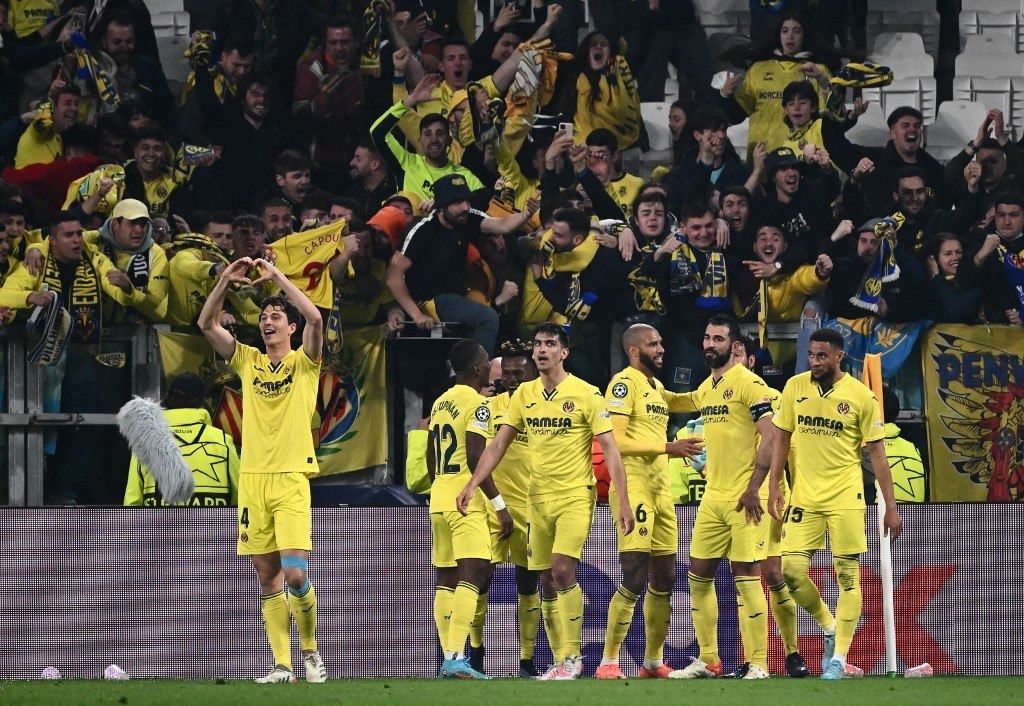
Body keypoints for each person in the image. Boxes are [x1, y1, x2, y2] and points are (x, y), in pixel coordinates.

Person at [456, 323, 636, 680]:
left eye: (549, 344)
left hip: (574, 495)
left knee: (561, 569)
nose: (541, 349)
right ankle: (560, 660)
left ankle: (572, 658)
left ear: (563, 353)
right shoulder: (524, 395)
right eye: (538, 344)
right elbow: (498, 444)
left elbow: (611, 450)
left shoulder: (586, 394)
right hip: (537, 497)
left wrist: (624, 501)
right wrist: (473, 483)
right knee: (546, 580)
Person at [198, 256, 327, 684]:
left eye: (276, 317)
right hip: (253, 479)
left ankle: (310, 652)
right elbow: (206, 325)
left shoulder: (305, 363)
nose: (268, 321)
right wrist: (224, 281)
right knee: (267, 575)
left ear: (290, 328)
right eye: (265, 316)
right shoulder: (248, 360)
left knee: (295, 573)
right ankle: (281, 665)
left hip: (292, 476)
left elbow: (313, 316)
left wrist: (277, 278)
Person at [768, 327, 903, 680]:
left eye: (822, 356)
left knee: (847, 576)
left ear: (839, 356)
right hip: (805, 498)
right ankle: (828, 625)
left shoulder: (861, 397)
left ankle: (839, 658)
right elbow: (780, 440)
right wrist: (774, 487)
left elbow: (879, 456)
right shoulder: (795, 387)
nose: (814, 361)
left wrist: (891, 506)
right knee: (791, 573)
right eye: (811, 355)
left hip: (846, 497)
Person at [662, 315, 778, 681]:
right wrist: (643, 386)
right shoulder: (708, 387)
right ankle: (709, 660)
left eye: (718, 338)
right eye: (707, 337)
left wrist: (755, 487)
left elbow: (772, 437)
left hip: (744, 496)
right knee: (698, 574)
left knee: (746, 574)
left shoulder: (749, 383)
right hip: (713, 496)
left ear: (736, 346)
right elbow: (682, 400)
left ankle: (757, 663)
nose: (710, 344)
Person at [596, 324, 702, 680]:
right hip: (634, 488)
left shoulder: (655, 387)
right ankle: (609, 661)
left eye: (661, 342)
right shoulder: (623, 384)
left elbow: (686, 400)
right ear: (633, 350)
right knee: (634, 573)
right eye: (652, 344)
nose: (661, 348)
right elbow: (618, 442)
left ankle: (652, 662)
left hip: (661, 490)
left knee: (665, 577)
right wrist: (668, 448)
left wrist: (724, 384)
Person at [723, 335, 810, 679]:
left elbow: (791, 449)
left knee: (771, 574)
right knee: (743, 578)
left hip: (767, 496)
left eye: (738, 352)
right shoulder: (718, 399)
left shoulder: (772, 398)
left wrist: (787, 493)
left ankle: (791, 653)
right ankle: (752, 660)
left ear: (750, 361)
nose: (732, 358)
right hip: (732, 497)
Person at [427, 339, 512, 680]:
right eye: (487, 360)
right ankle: (456, 656)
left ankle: (450, 658)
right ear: (478, 368)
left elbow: (431, 456)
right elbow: (478, 458)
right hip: (467, 501)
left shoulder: (440, 402)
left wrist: (441, 487)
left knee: (446, 579)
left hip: (440, 497)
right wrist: (499, 505)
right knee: (473, 575)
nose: (492, 364)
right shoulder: (479, 404)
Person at [386, 173, 537, 356]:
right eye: (457, 202)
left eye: (467, 200)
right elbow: (393, 276)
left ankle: (467, 369)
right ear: (441, 205)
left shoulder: (467, 218)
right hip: (429, 300)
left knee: (496, 316)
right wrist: (416, 315)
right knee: (487, 318)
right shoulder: (423, 231)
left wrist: (527, 213)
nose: (465, 207)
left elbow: (503, 226)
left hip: (455, 295)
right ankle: (478, 375)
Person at [470, 340, 542, 677]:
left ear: (532, 371)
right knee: (480, 579)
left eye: (519, 372)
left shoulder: (544, 407)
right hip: (492, 506)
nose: (512, 378)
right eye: (508, 373)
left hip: (532, 507)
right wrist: (494, 502)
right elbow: (478, 456)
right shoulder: (489, 407)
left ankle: (527, 659)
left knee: (528, 584)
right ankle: (475, 650)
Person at [370, 74, 484, 211]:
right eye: (428, 134)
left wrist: (443, 204)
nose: (434, 139)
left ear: (449, 141)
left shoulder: (464, 175)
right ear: (420, 141)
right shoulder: (407, 164)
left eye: (440, 133)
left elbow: (483, 203)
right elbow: (377, 132)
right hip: (410, 228)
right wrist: (409, 101)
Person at [123, 373, 240, 506]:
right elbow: (241, 498)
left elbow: (131, 505)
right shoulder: (222, 441)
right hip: (212, 526)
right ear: (201, 403)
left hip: (159, 526)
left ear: (168, 399)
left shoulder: (146, 440)